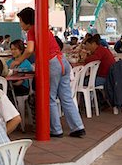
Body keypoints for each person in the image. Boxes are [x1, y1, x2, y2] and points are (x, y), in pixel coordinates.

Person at [10, 7, 85, 138]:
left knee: (49, 98)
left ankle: (56, 130)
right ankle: (78, 127)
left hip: (52, 64)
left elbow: (29, 50)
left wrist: (18, 61)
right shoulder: (43, 28)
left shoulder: (32, 31)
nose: (20, 24)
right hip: (63, 62)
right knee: (66, 97)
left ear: (27, 21)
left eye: (21, 21)